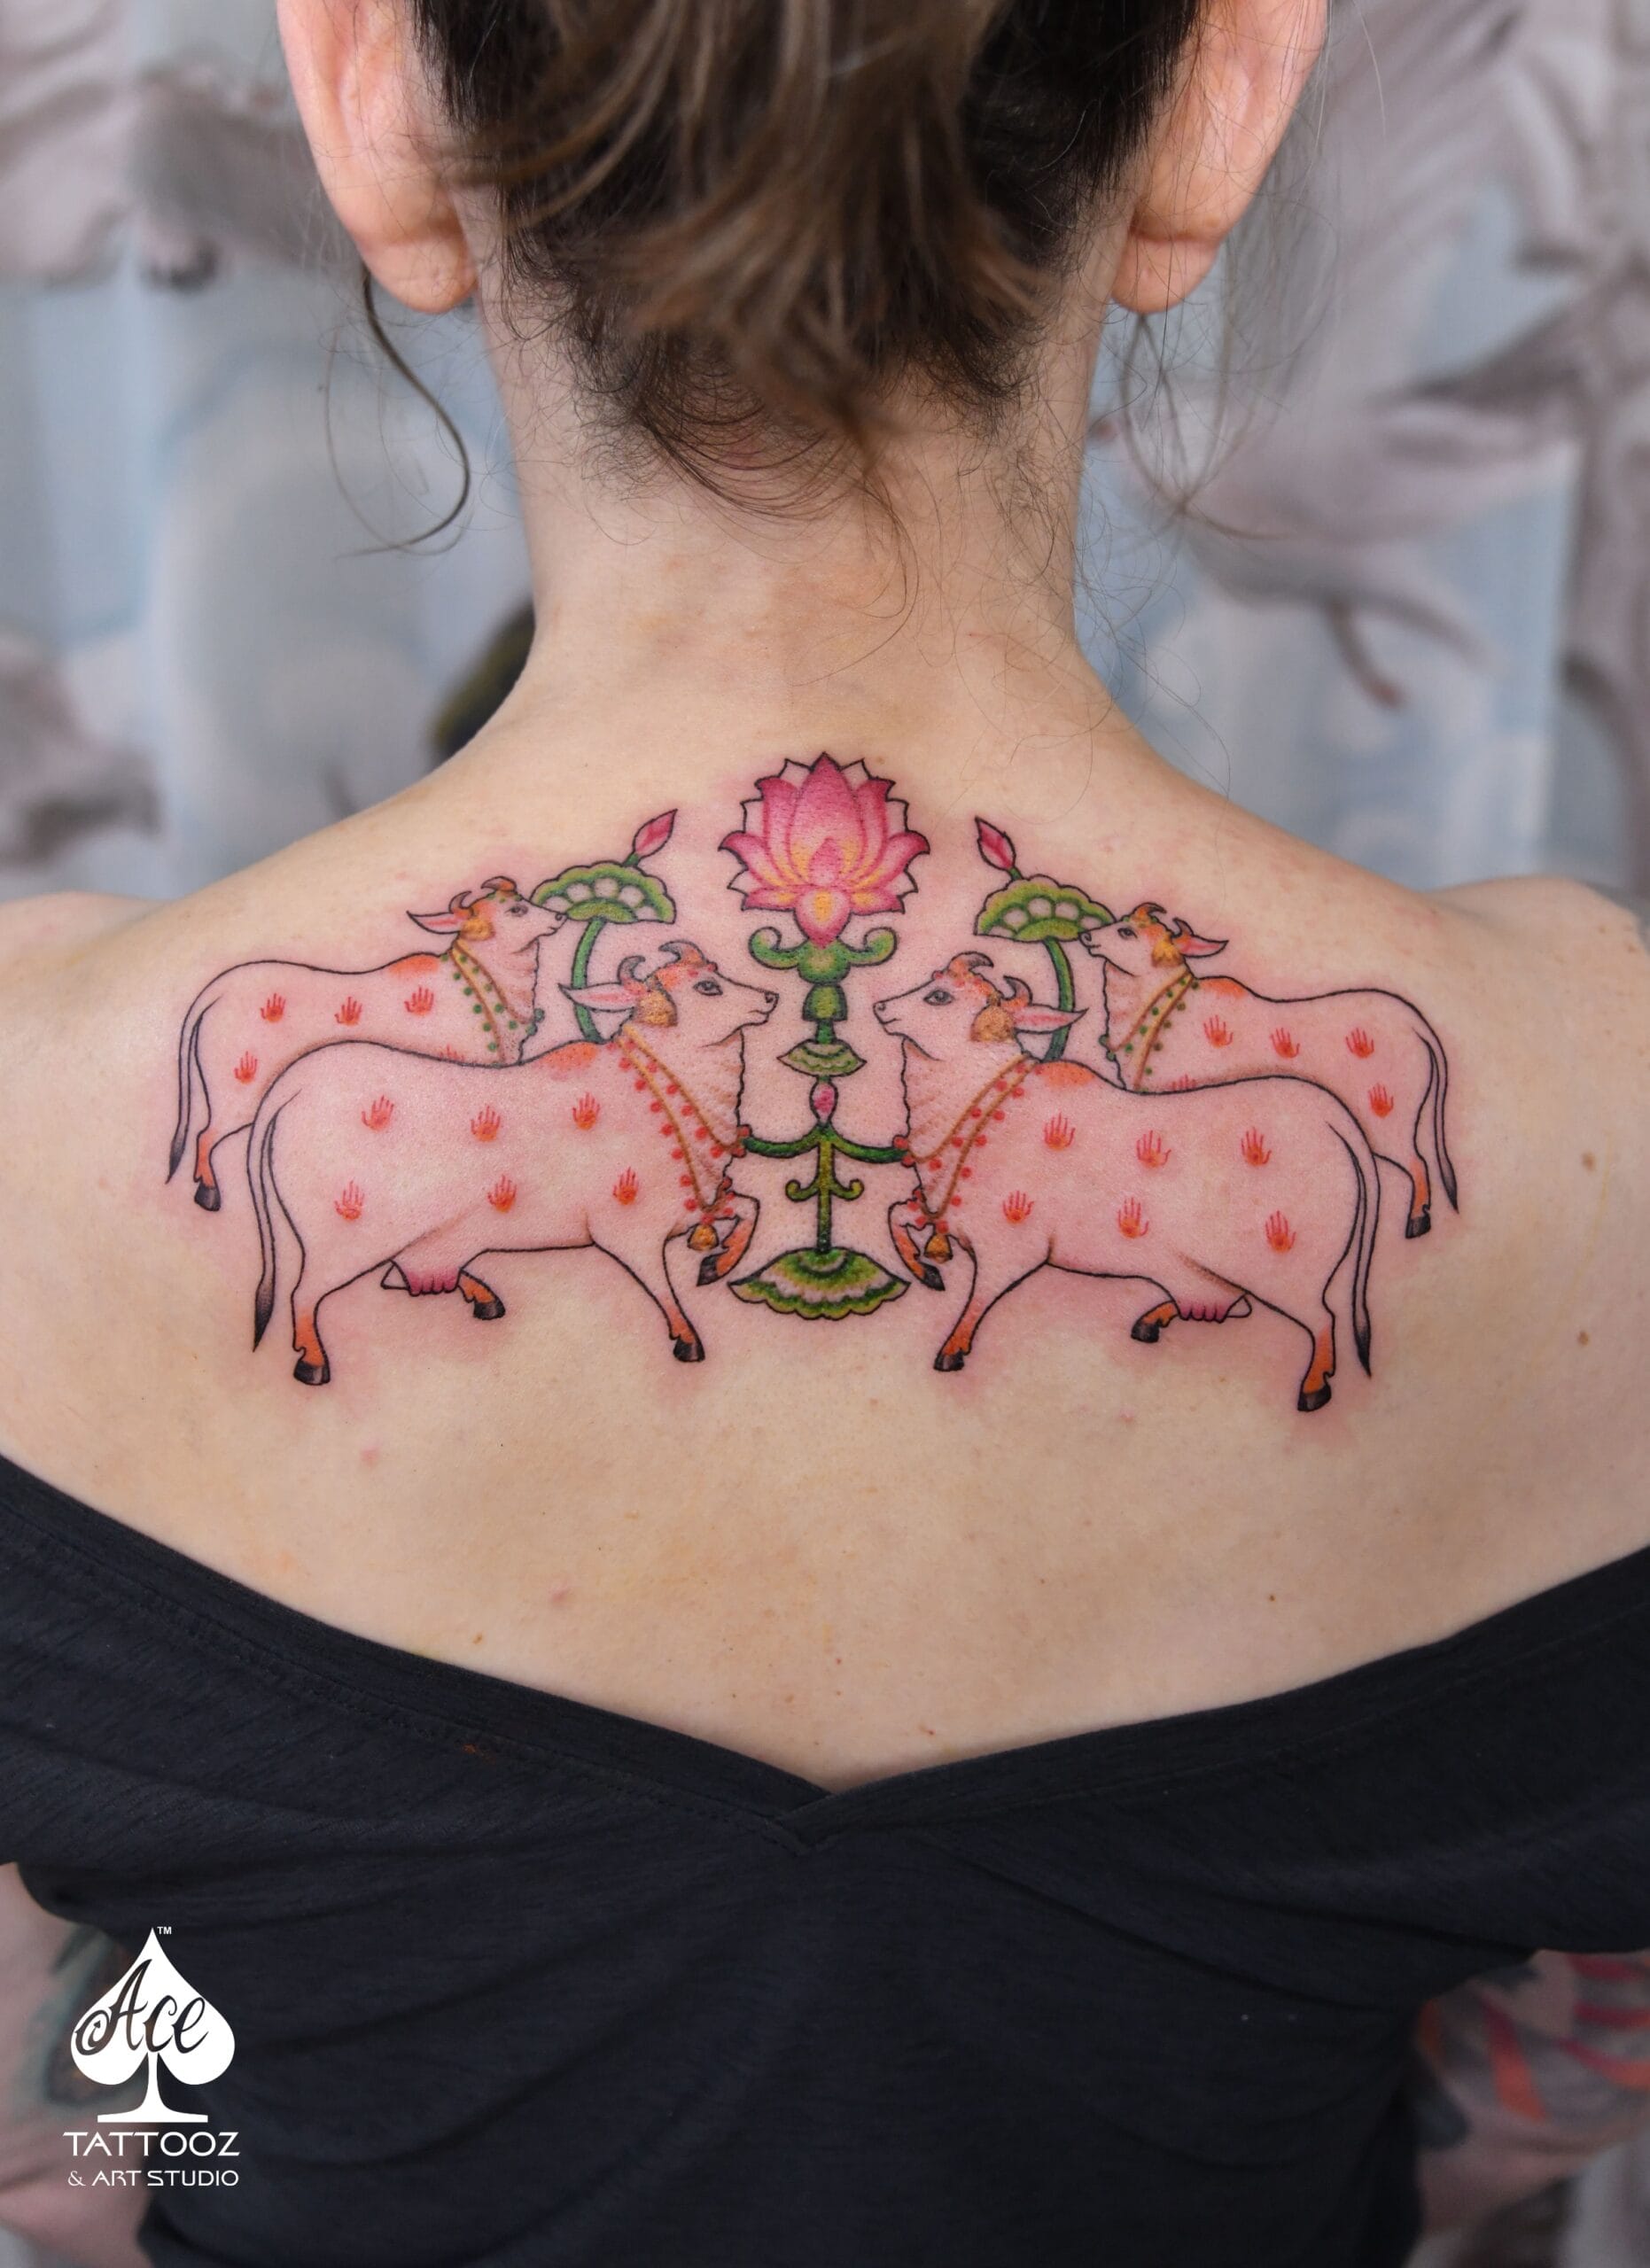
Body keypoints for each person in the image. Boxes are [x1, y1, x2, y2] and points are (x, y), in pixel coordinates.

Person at [1, 2, 1647, 2262]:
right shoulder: (1601, 1107)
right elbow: (1587, 2033)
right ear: (1218, 98)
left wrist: (162, 2153)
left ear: (368, 94)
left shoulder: (32, 1111)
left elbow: (59, 2118)